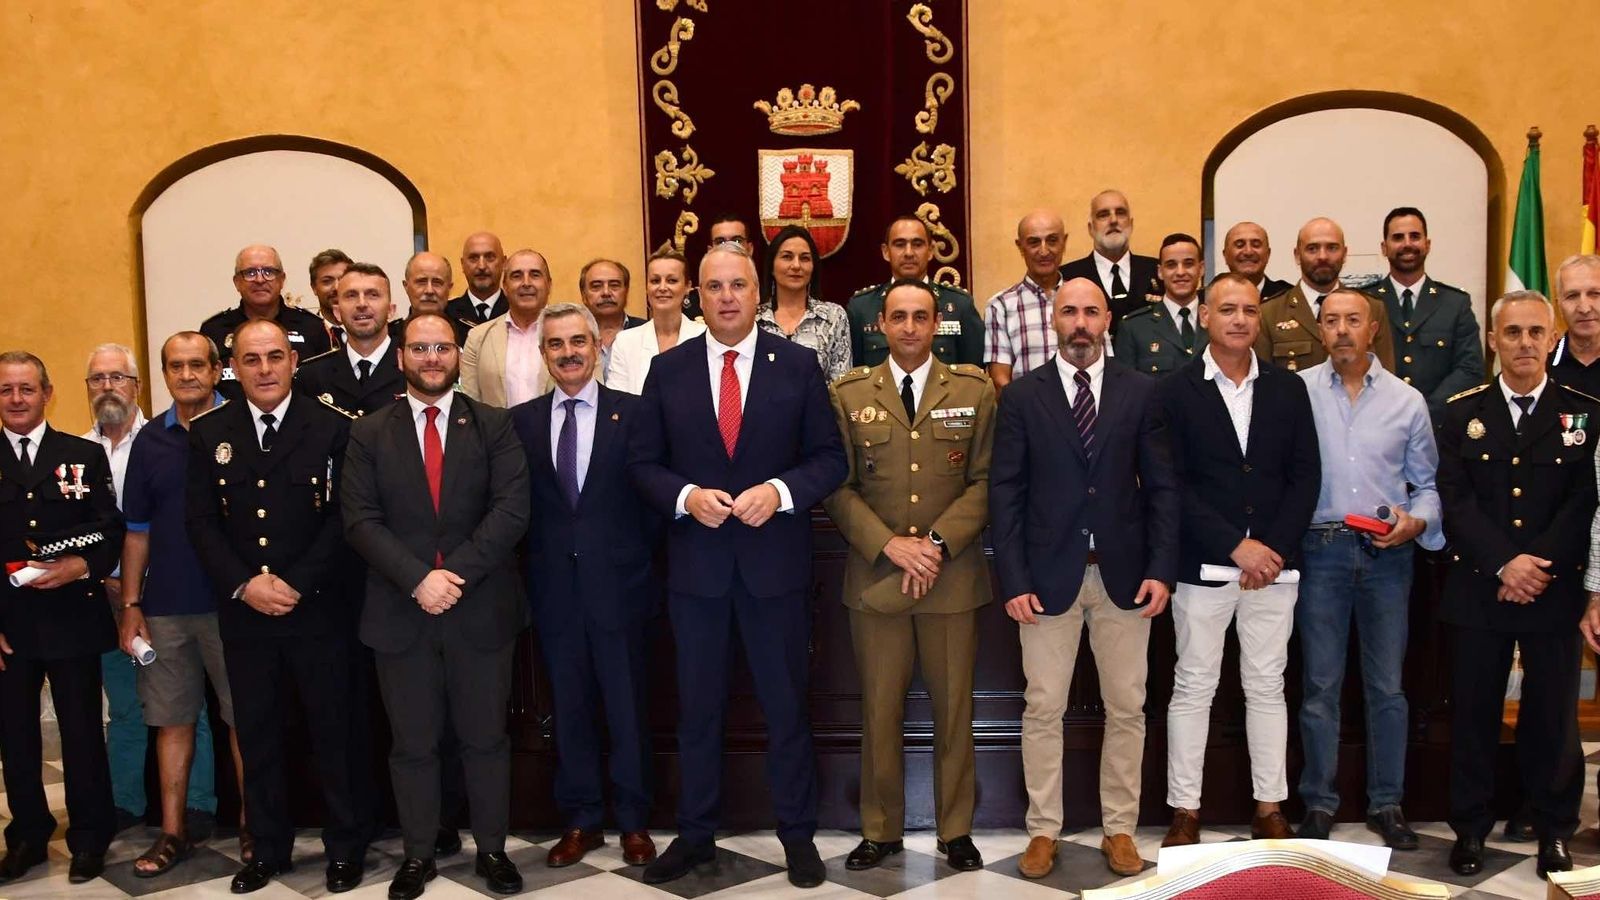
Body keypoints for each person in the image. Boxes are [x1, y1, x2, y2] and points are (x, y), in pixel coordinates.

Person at [628, 242, 846, 888]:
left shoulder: (798, 365)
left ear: (758, 294)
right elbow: (641, 464)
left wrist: (778, 494)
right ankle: (695, 836)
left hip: (774, 570)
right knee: (697, 712)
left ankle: (797, 837)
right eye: (715, 286)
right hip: (696, 573)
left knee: (786, 710)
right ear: (698, 295)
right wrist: (686, 497)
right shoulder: (669, 371)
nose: (727, 296)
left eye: (738, 285)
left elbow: (829, 460)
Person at [990, 278, 1178, 878]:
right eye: (1068, 311)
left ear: (1107, 322)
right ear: (1053, 319)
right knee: (1042, 706)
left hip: (1124, 576)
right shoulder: (1022, 396)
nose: (1079, 322)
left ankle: (1119, 829)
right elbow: (1006, 494)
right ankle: (1043, 830)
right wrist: (1013, 577)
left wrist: (1160, 569)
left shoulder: (1141, 392)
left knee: (1128, 706)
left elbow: (1164, 489)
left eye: (1090, 312)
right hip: (1046, 578)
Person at [342, 312, 531, 899]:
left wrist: (452, 577)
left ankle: (493, 850)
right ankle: (418, 855)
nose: (430, 358)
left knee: (486, 741)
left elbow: (511, 512)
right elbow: (360, 521)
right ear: (401, 357)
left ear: (457, 355)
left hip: (480, 610)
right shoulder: (368, 433)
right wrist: (419, 580)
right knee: (413, 744)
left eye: (441, 348)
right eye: (419, 348)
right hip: (402, 613)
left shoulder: (495, 426)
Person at [185, 319, 371, 894]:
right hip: (246, 615)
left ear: (295, 363)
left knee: (334, 734)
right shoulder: (208, 431)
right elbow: (201, 523)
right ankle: (267, 848)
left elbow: (344, 518)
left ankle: (345, 847)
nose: (264, 369)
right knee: (259, 735)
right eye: (251, 359)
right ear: (231, 369)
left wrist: (293, 585)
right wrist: (246, 585)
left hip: (319, 612)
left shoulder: (334, 428)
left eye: (274, 357)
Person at [824, 280, 995, 873]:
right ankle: (881, 829)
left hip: (951, 578)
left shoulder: (973, 390)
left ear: (936, 322)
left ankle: (956, 830)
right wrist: (892, 545)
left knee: (954, 711)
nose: (909, 327)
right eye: (898, 317)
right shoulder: (848, 394)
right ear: (881, 326)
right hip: (877, 578)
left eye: (921, 317)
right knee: (880, 709)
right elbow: (836, 486)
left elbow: (986, 480)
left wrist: (936, 545)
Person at [1158, 274, 1320, 847]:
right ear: (1205, 316)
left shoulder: (1287, 389)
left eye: (1250, 310)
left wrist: (1268, 549)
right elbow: (1171, 484)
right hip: (1204, 564)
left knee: (1267, 685)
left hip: (1274, 568)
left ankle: (1270, 807)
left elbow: (1305, 477)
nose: (1240, 320)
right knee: (1193, 685)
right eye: (1228, 309)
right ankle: (1185, 811)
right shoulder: (1174, 391)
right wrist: (1235, 545)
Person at [1442, 291, 1597, 881]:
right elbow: (1455, 500)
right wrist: (1505, 564)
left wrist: (1534, 567)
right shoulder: (1462, 411)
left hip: (1553, 591)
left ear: (1553, 339)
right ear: (1493, 340)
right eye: (1513, 333)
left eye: (1536, 332)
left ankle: (1554, 828)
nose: (1525, 343)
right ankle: (1471, 828)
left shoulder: (1583, 411)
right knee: (1474, 715)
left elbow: (1585, 501)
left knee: (1553, 717)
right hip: (1480, 587)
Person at [512, 304, 660, 870]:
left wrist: (628, 560)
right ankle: (580, 819)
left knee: (627, 708)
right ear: (543, 354)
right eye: (556, 344)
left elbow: (652, 502)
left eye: (579, 341)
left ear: (598, 348)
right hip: (554, 590)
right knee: (567, 708)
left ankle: (634, 821)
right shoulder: (520, 422)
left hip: (621, 587)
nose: (569, 352)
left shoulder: (637, 414)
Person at [1293, 290, 1442, 848]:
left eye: (1352, 320)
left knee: (1387, 687)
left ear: (1373, 328)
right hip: (1321, 550)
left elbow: (1427, 488)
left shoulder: (1407, 401)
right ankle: (1318, 805)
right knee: (1319, 686)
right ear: (1320, 329)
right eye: (1331, 321)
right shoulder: (1299, 392)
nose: (1341, 331)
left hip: (1388, 555)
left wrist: (1416, 523)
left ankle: (1388, 803)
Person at [120, 331, 246, 875]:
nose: (188, 375)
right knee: (171, 721)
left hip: (234, 605)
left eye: (198, 365)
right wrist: (130, 604)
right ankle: (172, 834)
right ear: (164, 375)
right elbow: (137, 532)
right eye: (177, 366)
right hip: (168, 606)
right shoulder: (150, 440)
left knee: (244, 721)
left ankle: (252, 828)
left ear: (217, 370)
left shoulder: (242, 426)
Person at [0, 350, 121, 885]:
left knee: (81, 735)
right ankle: (27, 834)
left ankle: (90, 837)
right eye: (6, 390)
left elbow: (110, 530)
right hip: (9, 626)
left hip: (73, 617)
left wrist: (81, 566)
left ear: (48, 393)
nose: (17, 399)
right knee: (15, 736)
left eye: (27, 388)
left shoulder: (82, 455)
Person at [79, 343, 156, 833]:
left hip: (160, 594)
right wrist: (104, 579)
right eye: (97, 379)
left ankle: (196, 805)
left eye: (117, 377)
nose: (107, 386)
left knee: (181, 705)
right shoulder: (75, 453)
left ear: (136, 385)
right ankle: (127, 803)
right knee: (124, 706)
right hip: (100, 598)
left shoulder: (165, 443)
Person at [1365, 208, 1483, 421]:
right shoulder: (1365, 302)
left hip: (1438, 426)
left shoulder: (1455, 304)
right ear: (1384, 248)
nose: (1407, 244)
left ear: (1427, 245)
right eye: (1398, 237)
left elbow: (1470, 369)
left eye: (1415, 236)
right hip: (1376, 422)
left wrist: (1423, 410)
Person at [1253, 218, 1395, 373]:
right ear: (1297, 255)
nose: (1323, 256)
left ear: (1345, 254)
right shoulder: (1269, 313)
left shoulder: (1372, 308)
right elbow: (1263, 383)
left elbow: (1385, 381)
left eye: (1332, 248)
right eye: (1312, 248)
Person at [847, 217, 984, 368]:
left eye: (917, 244)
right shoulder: (861, 308)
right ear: (886, 252)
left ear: (931, 250)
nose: (908, 253)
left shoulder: (960, 305)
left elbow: (973, 374)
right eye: (899, 245)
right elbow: (855, 375)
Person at [200, 244, 332, 399]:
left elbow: (326, 387)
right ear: (237, 282)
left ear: (282, 280)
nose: (259, 279)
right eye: (250, 273)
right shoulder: (214, 330)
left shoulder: (311, 327)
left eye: (269, 272)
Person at [296, 262, 406, 414]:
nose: (362, 304)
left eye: (373, 295)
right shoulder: (311, 377)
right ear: (337, 312)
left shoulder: (412, 369)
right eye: (351, 296)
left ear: (390, 310)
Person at [985, 210, 1067, 391]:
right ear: (1020, 246)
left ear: (1064, 242)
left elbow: (1105, 363)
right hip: (1027, 415)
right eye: (1034, 242)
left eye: (1052, 240)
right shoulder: (1001, 306)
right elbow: (1000, 379)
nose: (1044, 251)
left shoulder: (1085, 299)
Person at [1058, 190, 1162, 333]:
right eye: (1103, 215)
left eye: (1120, 213)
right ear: (1091, 228)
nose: (1113, 220)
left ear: (1131, 224)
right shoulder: (1068, 277)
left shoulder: (1157, 271)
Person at [461, 248, 553, 407]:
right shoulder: (478, 337)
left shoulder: (573, 334)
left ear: (549, 284)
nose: (526, 283)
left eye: (535, 275)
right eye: (517, 276)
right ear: (505, 286)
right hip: (497, 431)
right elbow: (470, 404)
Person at [759, 225, 852, 382]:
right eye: (787, 257)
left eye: (804, 258)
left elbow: (842, 387)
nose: (796, 265)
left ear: (813, 267)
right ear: (772, 267)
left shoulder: (834, 316)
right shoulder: (754, 319)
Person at [607, 249, 706, 394]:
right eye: (655, 281)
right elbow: (618, 403)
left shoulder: (704, 336)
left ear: (687, 287)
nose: (662, 287)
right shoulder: (626, 342)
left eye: (672, 280)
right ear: (647, 287)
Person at [1115, 233, 1208, 375]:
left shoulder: (1219, 321)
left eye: (1188, 264)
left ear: (1201, 269)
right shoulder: (1133, 328)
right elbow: (1126, 389)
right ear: (1160, 272)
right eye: (1171, 265)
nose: (1180, 272)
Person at [578, 258, 645, 377]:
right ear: (584, 295)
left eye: (614, 285)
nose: (606, 292)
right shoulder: (573, 336)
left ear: (626, 292)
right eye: (596, 286)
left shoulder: (647, 332)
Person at [679, 214, 751, 321]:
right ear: (709, 250)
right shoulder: (691, 304)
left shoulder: (767, 298)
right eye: (720, 242)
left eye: (736, 241)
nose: (728, 247)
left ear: (750, 249)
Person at [1550, 254, 1600, 398]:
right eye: (1572, 296)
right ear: (1558, 305)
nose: (1584, 308)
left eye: (1595, 294)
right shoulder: (1540, 367)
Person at [404, 252, 472, 347]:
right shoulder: (390, 338)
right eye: (421, 282)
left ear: (449, 288)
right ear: (406, 286)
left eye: (437, 283)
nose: (429, 290)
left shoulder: (470, 336)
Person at [446, 232, 509, 326]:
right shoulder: (447, 314)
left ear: (504, 263)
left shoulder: (516, 312)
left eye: (489, 257)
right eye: (473, 258)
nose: (482, 266)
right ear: (462, 264)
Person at [1219, 221, 1291, 300]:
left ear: (1268, 254)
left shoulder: (1287, 296)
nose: (1248, 252)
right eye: (1240, 245)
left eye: (1256, 245)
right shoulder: (1208, 298)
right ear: (1225, 255)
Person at [310, 249, 354, 348]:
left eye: (343, 279)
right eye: (327, 281)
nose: (336, 287)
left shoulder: (372, 331)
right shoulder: (306, 333)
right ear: (314, 287)